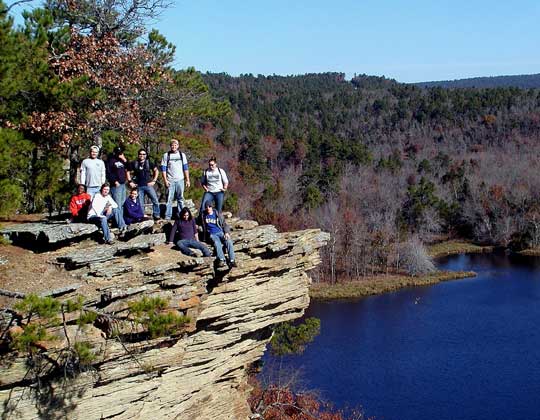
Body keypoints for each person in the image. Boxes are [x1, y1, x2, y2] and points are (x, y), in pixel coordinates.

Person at [126, 149, 160, 220]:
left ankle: (156, 215)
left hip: (148, 185)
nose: (142, 155)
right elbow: (127, 171)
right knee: (140, 204)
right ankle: (142, 216)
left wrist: (154, 180)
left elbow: (156, 171)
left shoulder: (149, 163)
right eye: (140, 154)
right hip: (138, 186)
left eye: (144, 154)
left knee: (155, 200)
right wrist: (130, 181)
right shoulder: (134, 163)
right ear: (138, 155)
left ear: (146, 155)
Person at [161, 139, 190, 220]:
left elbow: (185, 167)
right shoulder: (166, 155)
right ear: (170, 146)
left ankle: (182, 215)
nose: (174, 147)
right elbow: (163, 168)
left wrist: (187, 179)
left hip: (180, 180)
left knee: (180, 198)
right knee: (169, 199)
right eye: (172, 145)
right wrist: (165, 180)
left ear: (178, 146)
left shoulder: (182, 155)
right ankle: (167, 216)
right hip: (170, 180)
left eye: (175, 145)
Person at [201, 203, 236, 268]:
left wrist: (226, 232)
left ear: (212, 207)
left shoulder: (217, 214)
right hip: (212, 234)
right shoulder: (203, 215)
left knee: (229, 241)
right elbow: (194, 221)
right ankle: (222, 259)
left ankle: (232, 260)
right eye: (206, 207)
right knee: (217, 243)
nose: (208, 208)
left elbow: (224, 224)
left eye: (209, 206)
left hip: (221, 232)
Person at [106, 146, 128, 221]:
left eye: (120, 152)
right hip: (116, 185)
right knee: (117, 204)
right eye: (118, 153)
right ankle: (118, 221)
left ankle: (121, 220)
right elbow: (109, 173)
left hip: (123, 184)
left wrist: (124, 159)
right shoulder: (111, 160)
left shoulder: (122, 160)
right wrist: (114, 181)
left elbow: (129, 168)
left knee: (122, 204)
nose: (119, 154)